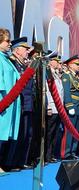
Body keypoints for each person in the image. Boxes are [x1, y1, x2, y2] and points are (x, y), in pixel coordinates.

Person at [0, 29, 21, 171]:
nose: (10, 43)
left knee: (5, 135)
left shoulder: (6, 58)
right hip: (3, 102)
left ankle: (2, 163)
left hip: (11, 102)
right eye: (7, 41)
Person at [61, 55, 79, 160]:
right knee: (69, 131)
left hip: (78, 105)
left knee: (75, 131)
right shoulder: (66, 76)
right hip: (72, 105)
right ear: (70, 65)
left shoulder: (75, 77)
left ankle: (73, 151)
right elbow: (67, 92)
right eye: (77, 64)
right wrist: (69, 106)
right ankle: (66, 153)